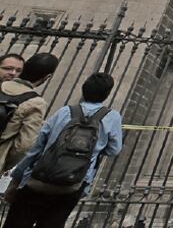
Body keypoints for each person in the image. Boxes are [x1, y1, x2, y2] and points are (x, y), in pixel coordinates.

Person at [2, 72, 122, 227]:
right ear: (107, 94)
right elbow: (114, 150)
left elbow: (37, 146)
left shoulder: (64, 111)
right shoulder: (112, 117)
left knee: (18, 221)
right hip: (74, 182)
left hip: (40, 178)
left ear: (84, 90)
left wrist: (18, 176)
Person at [0, 53, 58, 173]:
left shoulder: (2, 84)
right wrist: (4, 162)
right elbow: (24, 146)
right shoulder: (35, 102)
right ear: (47, 77)